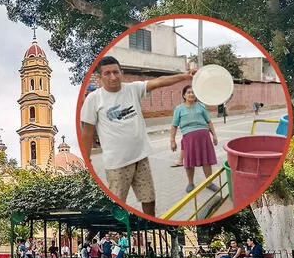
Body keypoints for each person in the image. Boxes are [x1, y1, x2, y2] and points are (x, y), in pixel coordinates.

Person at [81, 56, 197, 216]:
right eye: (107, 73)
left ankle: (150, 224)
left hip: (140, 157)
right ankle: (119, 232)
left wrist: (185, 76)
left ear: (121, 72)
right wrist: (87, 162)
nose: (113, 77)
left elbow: (160, 81)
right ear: (100, 77)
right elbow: (87, 132)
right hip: (117, 164)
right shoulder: (94, 98)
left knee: (149, 197)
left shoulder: (133, 88)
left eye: (116, 72)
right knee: (117, 204)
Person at [170, 85, 219, 193]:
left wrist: (214, 135)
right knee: (189, 161)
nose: (191, 94)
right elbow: (174, 126)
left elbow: (209, 121)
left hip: (204, 138)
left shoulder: (201, 106)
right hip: (189, 139)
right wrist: (172, 141)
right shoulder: (179, 109)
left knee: (206, 160)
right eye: (188, 92)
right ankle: (190, 183)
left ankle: (209, 182)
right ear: (184, 95)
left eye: (193, 92)